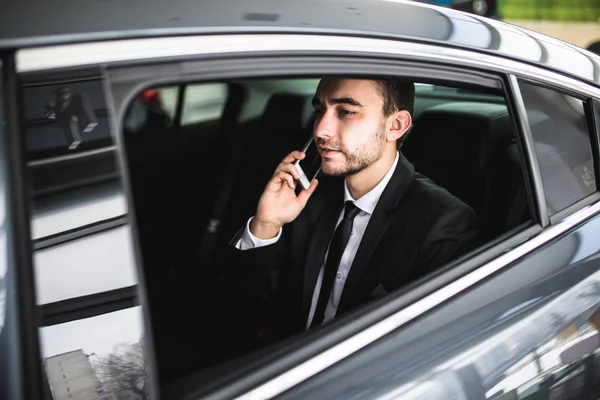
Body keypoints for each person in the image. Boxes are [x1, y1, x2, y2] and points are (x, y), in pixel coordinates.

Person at [228, 77, 479, 340]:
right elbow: (247, 311)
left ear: (395, 126)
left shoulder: (442, 223)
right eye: (319, 111)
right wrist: (266, 225)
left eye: (346, 112)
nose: (320, 131)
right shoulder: (303, 197)